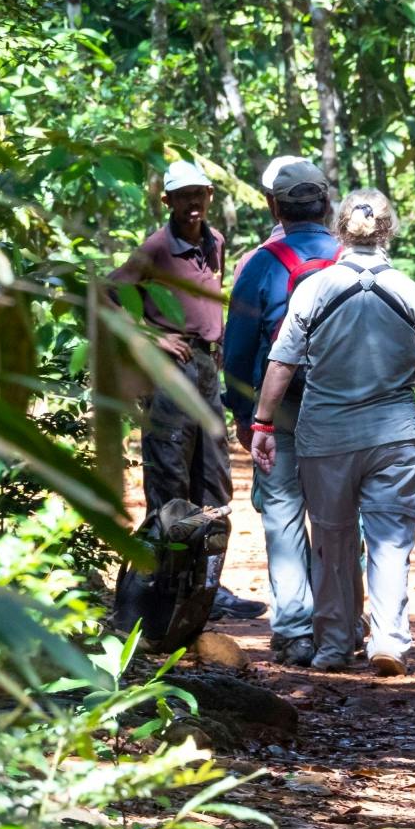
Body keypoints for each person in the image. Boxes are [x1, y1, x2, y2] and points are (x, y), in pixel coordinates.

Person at [251, 190, 415, 676]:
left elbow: (282, 361)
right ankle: (389, 639)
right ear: (388, 231)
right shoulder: (409, 290)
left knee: (332, 539)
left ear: (340, 229)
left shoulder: (314, 289)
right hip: (395, 434)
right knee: (390, 540)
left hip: (326, 436)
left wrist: (263, 421)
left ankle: (334, 645)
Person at [109, 159, 262, 620]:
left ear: (210, 196)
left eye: (199, 194)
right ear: (167, 201)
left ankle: (206, 589)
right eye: (182, 196)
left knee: (212, 478)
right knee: (170, 478)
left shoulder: (215, 242)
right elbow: (108, 295)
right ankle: (158, 592)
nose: (192, 203)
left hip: (206, 368)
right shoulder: (156, 248)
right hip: (171, 372)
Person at [222, 159, 340, 665]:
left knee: (283, 512)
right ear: (326, 203)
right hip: (344, 409)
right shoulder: (352, 257)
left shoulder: (262, 264)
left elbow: (238, 346)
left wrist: (244, 412)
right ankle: (343, 622)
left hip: (282, 407)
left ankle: (294, 631)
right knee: (341, 516)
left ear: (275, 207)